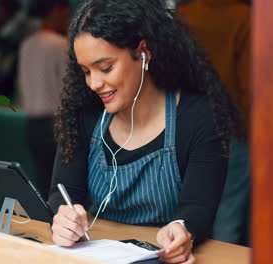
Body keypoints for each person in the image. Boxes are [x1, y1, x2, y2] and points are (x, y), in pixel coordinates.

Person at [47, 0, 242, 263]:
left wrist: (185, 228)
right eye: (85, 71)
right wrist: (63, 217)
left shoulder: (198, 116)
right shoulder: (85, 113)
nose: (94, 83)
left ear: (143, 52)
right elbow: (63, 193)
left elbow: (198, 207)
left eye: (105, 68)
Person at [177, 0, 251, 246]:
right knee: (229, 212)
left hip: (185, 124)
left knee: (188, 211)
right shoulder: (244, 17)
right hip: (232, 125)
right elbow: (249, 82)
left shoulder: (185, 15)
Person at [18, 0, 71, 198]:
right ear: (56, 10)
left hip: (31, 126)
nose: (68, 20)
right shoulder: (60, 45)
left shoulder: (26, 45)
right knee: (60, 188)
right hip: (55, 124)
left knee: (43, 183)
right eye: (66, 14)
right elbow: (69, 89)